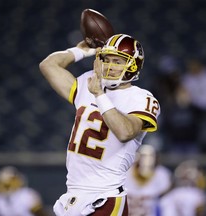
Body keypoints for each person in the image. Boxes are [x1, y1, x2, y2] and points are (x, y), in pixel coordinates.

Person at [39, 33, 161, 215]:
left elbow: (125, 132)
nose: (110, 66)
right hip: (73, 193)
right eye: (107, 59)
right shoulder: (88, 82)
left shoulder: (142, 98)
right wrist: (81, 51)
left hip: (105, 197)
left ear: (133, 65)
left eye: (118, 61)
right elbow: (48, 65)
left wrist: (99, 95)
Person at [125, 144, 172, 216]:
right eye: (144, 156)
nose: (147, 159)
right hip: (131, 201)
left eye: (150, 156)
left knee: (167, 202)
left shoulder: (162, 172)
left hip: (152, 203)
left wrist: (147, 197)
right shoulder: (129, 170)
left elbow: (164, 192)